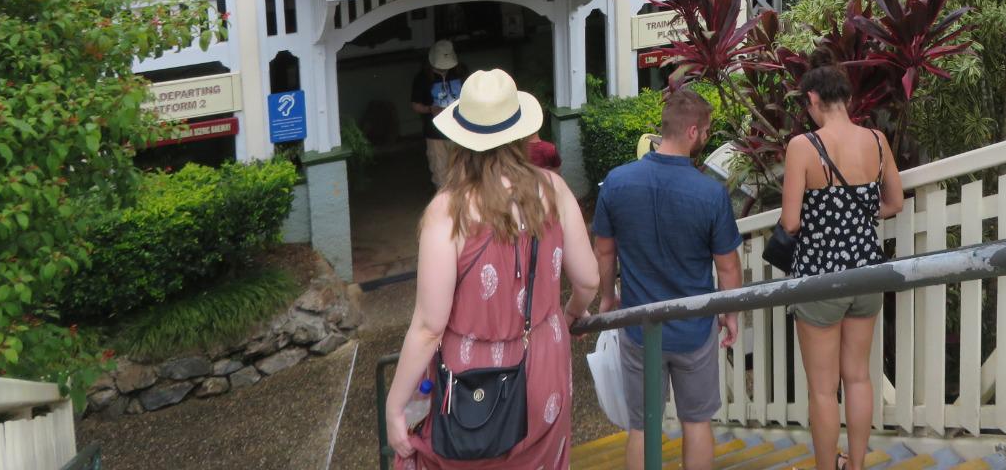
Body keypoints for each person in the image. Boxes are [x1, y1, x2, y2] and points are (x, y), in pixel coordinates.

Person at [384, 68, 599, 470]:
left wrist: (396, 406)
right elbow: (588, 279)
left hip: (472, 383)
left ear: (460, 139)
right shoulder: (553, 189)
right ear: (519, 132)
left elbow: (430, 326)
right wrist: (570, 313)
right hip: (545, 363)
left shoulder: (448, 212)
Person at [592, 87, 743, 470]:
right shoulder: (710, 194)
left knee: (642, 427)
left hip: (640, 326)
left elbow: (605, 250)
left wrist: (607, 298)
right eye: (707, 131)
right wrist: (730, 313)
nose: (706, 138)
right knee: (697, 424)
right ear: (692, 132)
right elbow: (727, 266)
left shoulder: (617, 181)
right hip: (694, 329)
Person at [779, 53, 904, 470]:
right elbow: (894, 202)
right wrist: (859, 217)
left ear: (813, 98)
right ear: (847, 98)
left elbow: (791, 221)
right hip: (867, 271)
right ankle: (857, 464)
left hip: (819, 276)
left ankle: (824, 467)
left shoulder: (803, 147)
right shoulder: (876, 141)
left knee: (821, 388)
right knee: (858, 377)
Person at [412, 39, 467, 187]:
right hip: (435, 133)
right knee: (440, 170)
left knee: (463, 169)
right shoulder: (422, 78)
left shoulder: (460, 72)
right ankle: (444, 203)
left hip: (459, 129)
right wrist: (430, 109)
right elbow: (415, 105)